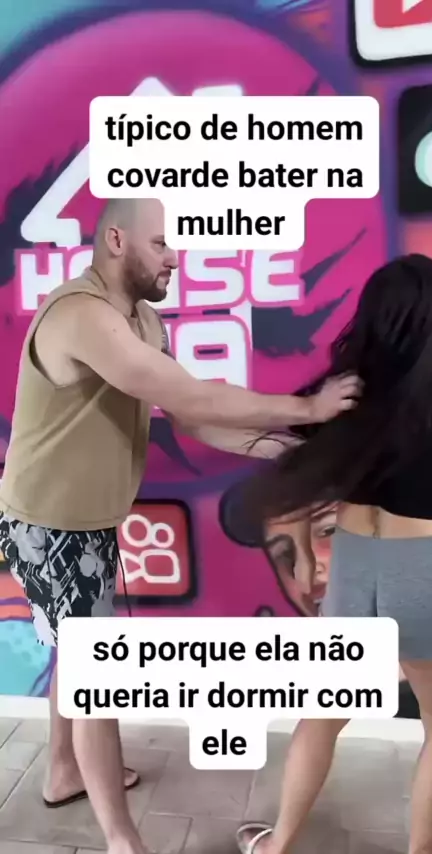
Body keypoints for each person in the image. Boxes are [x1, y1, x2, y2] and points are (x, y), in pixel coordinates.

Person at [0, 197, 360, 854]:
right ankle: (121, 839)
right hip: (48, 526)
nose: (174, 258)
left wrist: (290, 452)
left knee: (75, 652)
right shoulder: (81, 314)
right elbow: (191, 395)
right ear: (117, 240)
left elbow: (193, 418)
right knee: (92, 671)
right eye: (162, 243)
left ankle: (63, 769)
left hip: (87, 521)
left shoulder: (142, 320)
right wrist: (308, 407)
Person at [235, 254, 432, 854]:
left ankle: (278, 845)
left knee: (321, 719)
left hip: (353, 566)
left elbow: (295, 473)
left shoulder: (338, 396)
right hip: (425, 568)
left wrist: (304, 553)